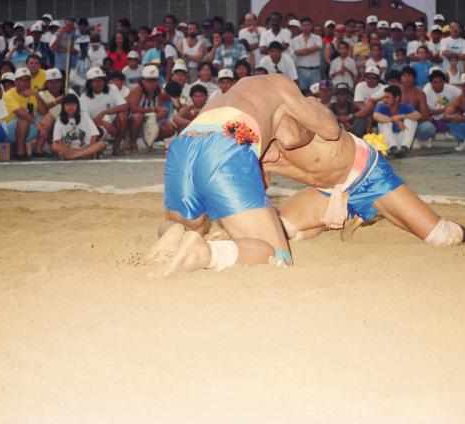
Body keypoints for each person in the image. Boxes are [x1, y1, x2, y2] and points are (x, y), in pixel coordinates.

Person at [145, 74, 340, 277]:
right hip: (229, 139)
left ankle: (174, 233)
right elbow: (330, 131)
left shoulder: (229, 96)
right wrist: (314, 107)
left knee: (188, 226)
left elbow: (288, 138)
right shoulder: (280, 83)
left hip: (185, 142)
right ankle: (207, 253)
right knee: (277, 255)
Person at [261, 115, 465, 248]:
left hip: (368, 175)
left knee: (443, 238)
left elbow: (329, 128)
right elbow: (255, 193)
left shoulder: (292, 119)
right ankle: (346, 214)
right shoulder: (252, 153)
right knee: (281, 229)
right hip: (328, 190)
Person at [126, 65, 175, 153]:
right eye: (149, 80)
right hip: (132, 123)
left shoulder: (158, 90)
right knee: (137, 117)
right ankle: (132, 143)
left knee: (170, 128)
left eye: (154, 80)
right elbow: (132, 109)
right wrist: (153, 110)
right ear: (143, 80)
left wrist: (161, 111)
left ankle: (147, 142)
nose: (152, 83)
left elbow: (163, 102)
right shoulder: (137, 89)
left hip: (149, 119)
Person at [80, 67, 128, 156]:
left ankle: (116, 147)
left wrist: (104, 112)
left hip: (113, 124)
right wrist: (103, 123)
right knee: (93, 128)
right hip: (96, 126)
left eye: (101, 80)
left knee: (122, 115)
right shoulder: (84, 97)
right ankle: (95, 147)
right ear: (90, 83)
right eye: (95, 81)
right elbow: (85, 118)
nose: (99, 83)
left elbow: (124, 106)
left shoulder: (112, 88)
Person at [1, 67, 47, 159]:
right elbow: (19, 112)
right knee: (24, 118)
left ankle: (38, 149)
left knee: (49, 117)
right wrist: (37, 123)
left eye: (27, 80)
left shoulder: (31, 92)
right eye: (21, 80)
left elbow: (44, 112)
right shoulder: (9, 94)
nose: (25, 83)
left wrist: (37, 95)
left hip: (28, 128)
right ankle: (20, 151)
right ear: (16, 82)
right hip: (8, 131)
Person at [50, 94, 106, 160]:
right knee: (53, 146)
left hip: (85, 148)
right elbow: (57, 140)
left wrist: (89, 149)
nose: (70, 107)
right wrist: (71, 151)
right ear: (63, 107)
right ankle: (81, 155)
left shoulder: (84, 116)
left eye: (73, 104)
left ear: (78, 106)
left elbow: (94, 134)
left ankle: (73, 156)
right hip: (68, 149)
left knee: (102, 144)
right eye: (67, 105)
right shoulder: (59, 119)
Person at [36, 68, 76, 156]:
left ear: (62, 82)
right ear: (46, 83)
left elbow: (78, 108)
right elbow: (42, 110)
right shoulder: (41, 94)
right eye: (51, 82)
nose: (55, 85)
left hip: (67, 123)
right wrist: (56, 102)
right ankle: (38, 149)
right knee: (49, 117)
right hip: (48, 128)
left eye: (57, 82)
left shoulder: (69, 92)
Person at [373, 85, 421, 156]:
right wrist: (394, 120)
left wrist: (402, 116)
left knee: (411, 121)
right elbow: (375, 116)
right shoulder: (381, 106)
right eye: (384, 97)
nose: (384, 100)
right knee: (383, 122)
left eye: (388, 98)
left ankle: (405, 148)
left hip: (400, 141)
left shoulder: (405, 106)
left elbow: (418, 115)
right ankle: (392, 148)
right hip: (387, 143)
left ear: (397, 98)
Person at [399, 66, 436, 146]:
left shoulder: (420, 94)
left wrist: (410, 119)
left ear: (414, 79)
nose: (406, 78)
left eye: (409, 76)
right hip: (398, 123)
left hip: (415, 123)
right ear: (401, 79)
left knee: (429, 128)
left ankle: (416, 138)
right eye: (404, 76)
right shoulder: (396, 92)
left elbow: (425, 115)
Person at [423, 68, 461, 141]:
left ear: (444, 82)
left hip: (447, 118)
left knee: (457, 114)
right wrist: (443, 110)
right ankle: (431, 135)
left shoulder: (451, 89)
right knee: (427, 118)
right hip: (433, 120)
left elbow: (463, 97)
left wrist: (455, 107)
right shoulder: (425, 92)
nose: (438, 84)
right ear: (431, 83)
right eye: (435, 82)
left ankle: (451, 134)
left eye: (440, 81)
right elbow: (426, 112)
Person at [291, 16, 323, 92]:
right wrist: (312, 50)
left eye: (308, 25)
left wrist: (303, 51)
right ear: (301, 27)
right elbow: (297, 52)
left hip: (315, 70)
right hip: (301, 70)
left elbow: (317, 48)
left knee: (316, 93)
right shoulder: (295, 39)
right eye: (304, 25)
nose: (306, 27)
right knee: (302, 94)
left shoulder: (317, 37)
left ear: (311, 26)